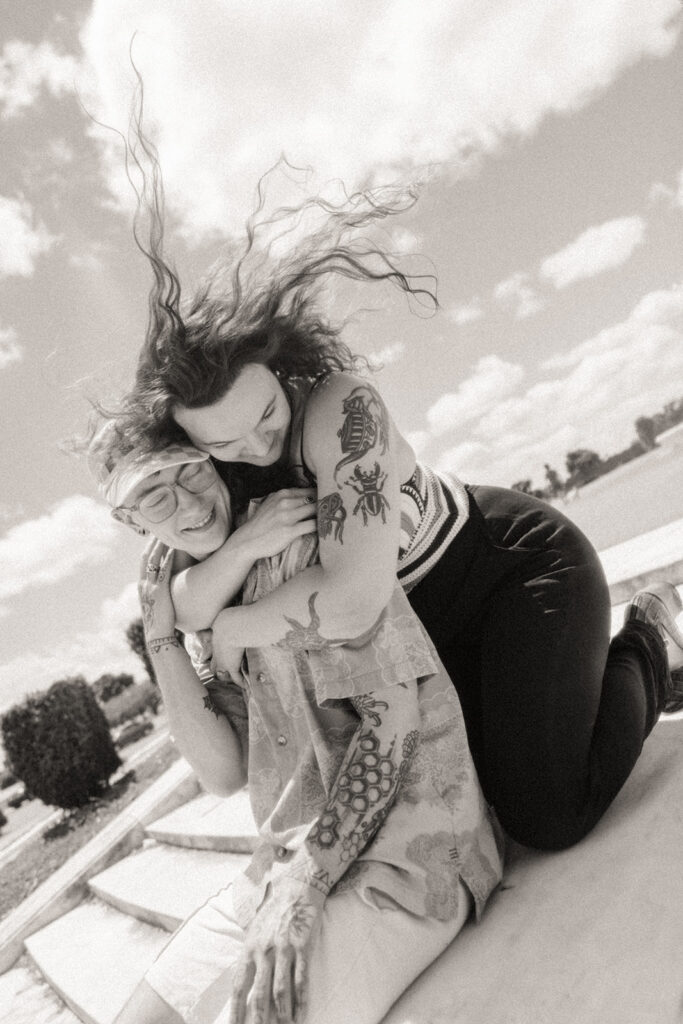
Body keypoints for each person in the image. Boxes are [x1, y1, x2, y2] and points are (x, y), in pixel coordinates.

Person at [113, 177, 683, 857]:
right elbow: (182, 610)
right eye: (222, 444)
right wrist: (211, 583)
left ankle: (649, 641)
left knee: (546, 812)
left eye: (265, 416)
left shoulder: (339, 409)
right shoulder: (211, 481)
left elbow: (352, 604)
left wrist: (235, 622)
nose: (256, 446)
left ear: (278, 368)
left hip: (513, 571)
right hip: (426, 646)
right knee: (473, 807)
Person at [89, 432, 504, 1024]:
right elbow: (222, 773)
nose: (188, 503)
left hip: (407, 857)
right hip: (286, 865)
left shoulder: (307, 536)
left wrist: (306, 883)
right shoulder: (205, 596)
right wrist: (162, 639)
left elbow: (393, 725)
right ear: (132, 522)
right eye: (156, 498)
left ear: (214, 464)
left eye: (191, 474)